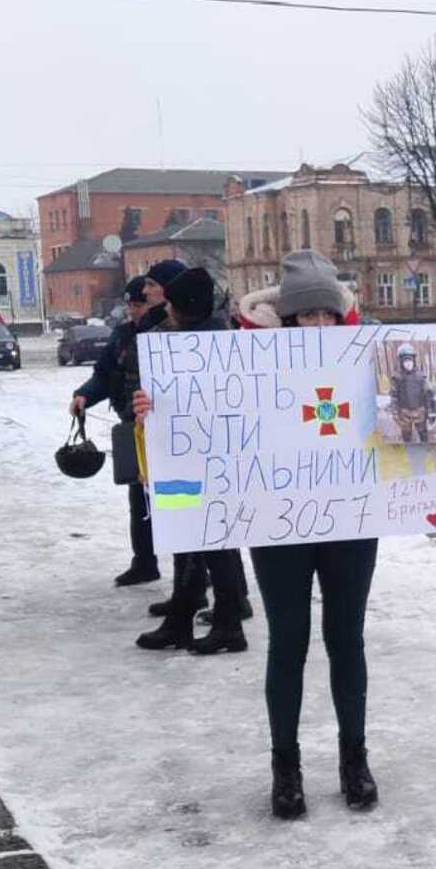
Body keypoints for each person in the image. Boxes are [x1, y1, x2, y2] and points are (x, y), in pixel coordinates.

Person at [137, 250, 436, 818]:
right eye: (305, 317)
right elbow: (201, 426)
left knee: (347, 638)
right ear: (286, 319)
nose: (317, 327)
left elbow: (421, 428)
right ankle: (285, 766)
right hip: (277, 521)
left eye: (326, 317)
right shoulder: (244, 357)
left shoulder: (373, 355)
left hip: (352, 520)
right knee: (287, 642)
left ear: (341, 317)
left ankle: (353, 758)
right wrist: (156, 411)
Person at [133, 267, 253, 656]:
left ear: (185, 307)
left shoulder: (203, 346)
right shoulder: (187, 340)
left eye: (169, 302)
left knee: (214, 543)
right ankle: (185, 617)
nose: (164, 308)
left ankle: (227, 623)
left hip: (209, 460)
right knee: (189, 539)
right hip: (184, 458)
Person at [72, 272, 169, 588]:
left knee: (180, 499)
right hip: (132, 428)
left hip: (169, 430)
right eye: (130, 305)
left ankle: (200, 570)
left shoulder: (168, 331)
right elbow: (104, 375)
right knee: (138, 498)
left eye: (139, 304)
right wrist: (84, 395)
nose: (132, 311)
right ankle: (144, 561)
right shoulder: (122, 336)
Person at [388, 344, 434, 443]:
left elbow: (427, 395)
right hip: (404, 413)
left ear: (414, 360)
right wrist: (394, 412)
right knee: (406, 436)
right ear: (401, 362)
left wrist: (429, 411)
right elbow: (393, 396)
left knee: (423, 435)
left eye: (410, 360)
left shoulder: (421, 376)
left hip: (420, 411)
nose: (408, 363)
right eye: (405, 361)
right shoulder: (396, 377)